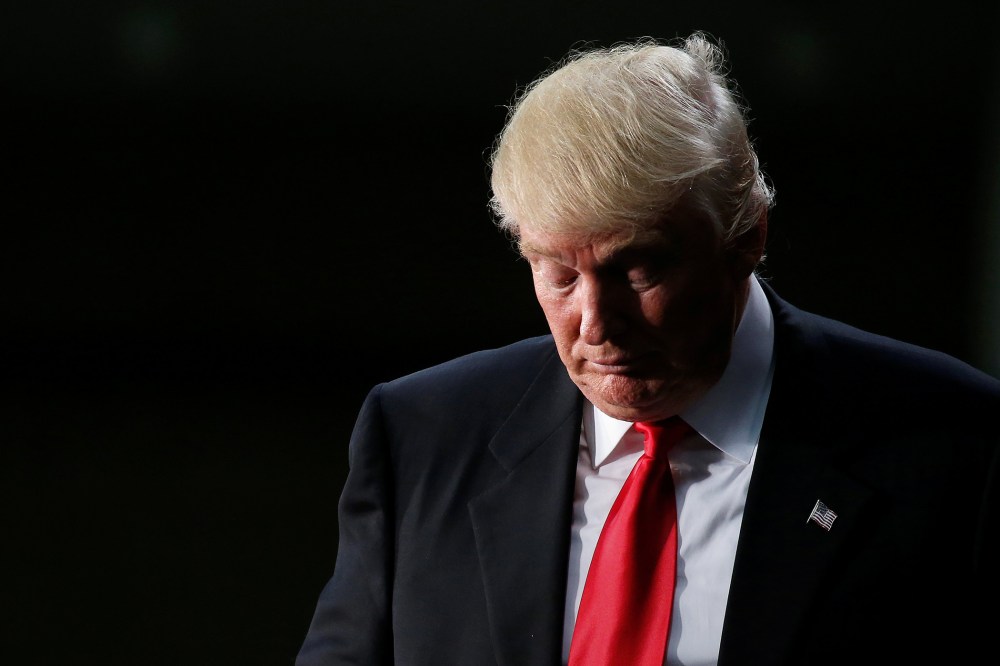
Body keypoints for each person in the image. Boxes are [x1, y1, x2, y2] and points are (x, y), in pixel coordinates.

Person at [295, 31, 1000, 665]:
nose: (595, 323)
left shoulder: (955, 445)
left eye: (640, 269)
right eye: (559, 273)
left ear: (747, 234)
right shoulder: (422, 438)